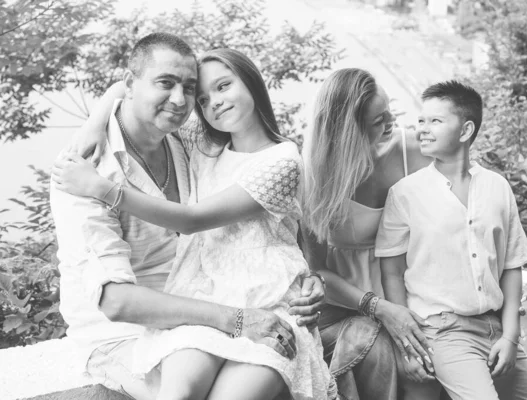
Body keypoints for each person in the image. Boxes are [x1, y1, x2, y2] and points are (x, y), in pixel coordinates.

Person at [51, 34, 326, 400]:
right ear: (133, 85)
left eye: (190, 89)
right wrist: (238, 319)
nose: (182, 101)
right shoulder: (85, 172)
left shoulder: (189, 141)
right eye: (167, 84)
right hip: (125, 331)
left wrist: (311, 279)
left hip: (208, 304)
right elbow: (116, 302)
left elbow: (263, 228)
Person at [374, 80, 527, 400]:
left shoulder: (498, 187)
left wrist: (510, 336)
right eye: (421, 120)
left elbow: (511, 266)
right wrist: (407, 347)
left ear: (466, 130)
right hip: (443, 332)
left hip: (495, 328)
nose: (422, 129)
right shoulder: (404, 194)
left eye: (435, 121)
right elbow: (392, 274)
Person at [301, 68, 436, 400]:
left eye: (389, 110)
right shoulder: (314, 176)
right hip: (345, 301)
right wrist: (379, 308)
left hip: (408, 288)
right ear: (349, 131)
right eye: (379, 120)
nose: (391, 122)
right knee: (377, 351)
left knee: (429, 364)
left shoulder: (411, 150)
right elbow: (316, 269)